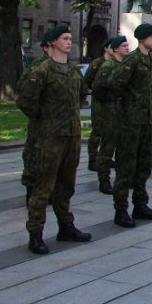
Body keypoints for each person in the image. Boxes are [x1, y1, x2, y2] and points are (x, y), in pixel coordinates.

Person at [16, 25, 91, 254]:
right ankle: (36, 233)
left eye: (70, 38)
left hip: (71, 136)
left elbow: (81, 96)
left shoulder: (73, 70)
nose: (69, 42)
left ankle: (65, 226)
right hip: (49, 139)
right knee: (43, 187)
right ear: (53, 42)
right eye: (65, 38)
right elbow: (26, 102)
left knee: (66, 185)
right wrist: (46, 121)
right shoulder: (42, 70)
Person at [108, 23, 152, 227]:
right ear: (142, 38)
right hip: (130, 122)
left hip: (147, 122)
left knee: (144, 166)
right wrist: (126, 106)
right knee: (126, 167)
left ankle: (140, 204)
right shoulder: (132, 60)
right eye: (151, 36)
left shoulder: (151, 62)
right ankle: (121, 209)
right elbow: (114, 84)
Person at [17, 37, 53, 205]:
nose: (69, 43)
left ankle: (48, 191)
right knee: (33, 155)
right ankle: (30, 191)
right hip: (40, 122)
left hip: (56, 125)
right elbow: (24, 92)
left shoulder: (62, 66)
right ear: (47, 47)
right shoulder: (38, 65)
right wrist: (38, 114)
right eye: (64, 39)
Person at [92, 35, 127, 195]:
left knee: (122, 148)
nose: (127, 47)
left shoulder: (125, 65)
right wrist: (110, 103)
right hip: (109, 113)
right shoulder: (108, 66)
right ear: (115, 49)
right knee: (107, 147)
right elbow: (98, 89)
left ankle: (121, 179)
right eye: (124, 45)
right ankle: (104, 179)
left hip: (123, 113)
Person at [84, 37, 112, 171]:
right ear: (106, 48)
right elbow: (88, 80)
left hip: (110, 103)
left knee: (109, 131)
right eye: (111, 46)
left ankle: (106, 157)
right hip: (98, 101)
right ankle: (92, 159)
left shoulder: (115, 63)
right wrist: (94, 90)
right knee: (97, 131)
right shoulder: (97, 63)